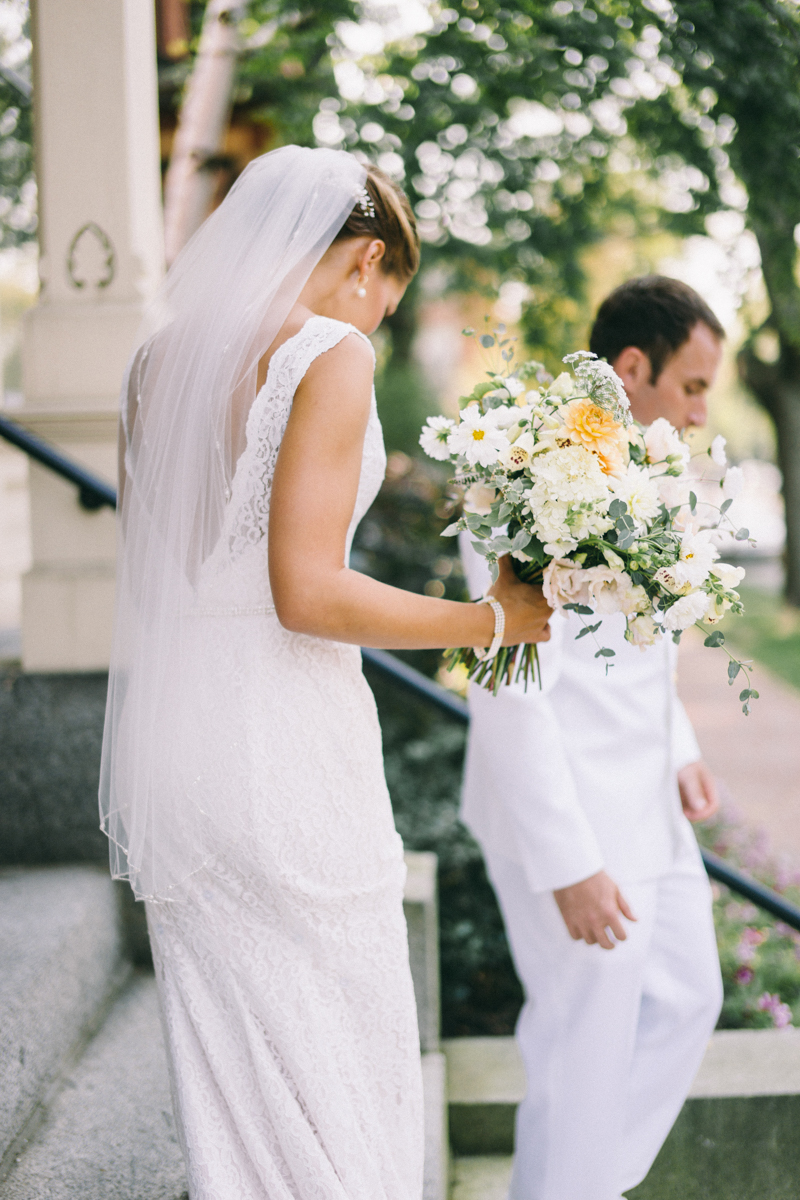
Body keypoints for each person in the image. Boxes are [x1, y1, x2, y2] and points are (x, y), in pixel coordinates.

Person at [99, 146, 550, 1200]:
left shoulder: (154, 365)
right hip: (283, 740)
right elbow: (305, 592)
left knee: (233, 1078)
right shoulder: (325, 357)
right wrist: (491, 617)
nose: (373, 324)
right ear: (361, 260)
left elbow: (176, 571)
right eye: (384, 299)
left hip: (182, 747)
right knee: (341, 1057)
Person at [460, 275, 727, 1200]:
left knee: (692, 997)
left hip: (649, 801)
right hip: (568, 811)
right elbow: (509, 682)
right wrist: (565, 859)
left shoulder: (654, 472)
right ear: (631, 366)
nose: (702, 409)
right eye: (693, 386)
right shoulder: (521, 478)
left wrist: (682, 744)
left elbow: (636, 648)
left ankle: (569, 1188)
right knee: (584, 1046)